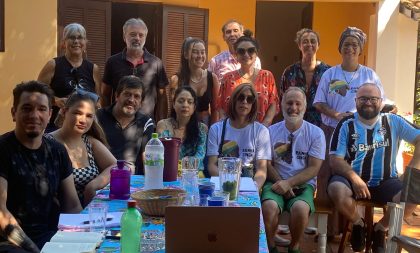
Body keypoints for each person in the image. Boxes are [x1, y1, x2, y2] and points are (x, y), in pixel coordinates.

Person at [328, 83, 420, 252]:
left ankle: (380, 229)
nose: (368, 102)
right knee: (335, 189)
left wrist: (410, 172)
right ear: (356, 101)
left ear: (381, 101)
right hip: (351, 179)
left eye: (373, 99)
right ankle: (358, 224)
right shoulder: (346, 124)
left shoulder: (393, 121)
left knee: (413, 196)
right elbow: (335, 160)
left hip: (386, 180)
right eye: (363, 98)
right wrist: (355, 179)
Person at [313, 27, 386, 236]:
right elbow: (319, 102)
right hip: (331, 130)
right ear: (340, 48)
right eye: (346, 44)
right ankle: (328, 231)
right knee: (326, 176)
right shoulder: (330, 73)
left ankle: (354, 226)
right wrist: (336, 114)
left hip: (358, 134)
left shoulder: (369, 74)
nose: (350, 48)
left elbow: (381, 102)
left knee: (352, 177)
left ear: (360, 49)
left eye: (354, 45)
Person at [0, 81, 82, 253]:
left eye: (42, 109)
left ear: (50, 114)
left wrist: (84, 238)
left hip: (50, 238)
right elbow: (1, 214)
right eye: (27, 108)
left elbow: (72, 206)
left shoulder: (57, 151)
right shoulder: (3, 150)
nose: (34, 115)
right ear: (14, 113)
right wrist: (34, 250)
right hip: (10, 242)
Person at [262, 87, 325, 253]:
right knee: (268, 207)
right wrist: (281, 183)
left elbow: (314, 168)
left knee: (300, 209)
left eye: (298, 103)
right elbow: (266, 164)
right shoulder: (270, 131)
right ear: (282, 104)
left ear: (305, 106)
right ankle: (271, 246)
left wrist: (289, 183)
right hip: (274, 182)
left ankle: (294, 246)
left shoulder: (316, 133)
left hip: (303, 185)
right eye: (289, 103)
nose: (293, 107)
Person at [49, 91, 117, 206]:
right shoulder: (47, 143)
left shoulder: (89, 141)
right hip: (59, 217)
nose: (83, 120)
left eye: (89, 116)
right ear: (64, 111)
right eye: (78, 113)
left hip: (89, 213)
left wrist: (93, 185)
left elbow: (117, 166)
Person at [101, 18, 169, 122]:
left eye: (141, 35)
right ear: (124, 37)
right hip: (118, 123)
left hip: (146, 125)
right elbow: (105, 94)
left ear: (145, 38)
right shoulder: (112, 62)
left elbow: (162, 98)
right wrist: (106, 119)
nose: (137, 38)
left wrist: (160, 123)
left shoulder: (156, 63)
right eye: (133, 34)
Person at [37, 23, 100, 132]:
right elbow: (37, 93)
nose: (76, 41)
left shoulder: (93, 69)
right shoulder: (53, 65)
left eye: (80, 38)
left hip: (84, 129)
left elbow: (99, 99)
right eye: (71, 37)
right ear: (64, 43)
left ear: (85, 43)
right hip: (56, 128)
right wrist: (55, 100)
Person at [207, 83, 271, 191]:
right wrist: (229, 187)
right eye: (240, 97)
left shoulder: (261, 131)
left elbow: (261, 169)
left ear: (253, 104)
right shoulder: (216, 129)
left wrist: (253, 190)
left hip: (250, 185)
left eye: (249, 99)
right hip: (224, 185)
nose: (244, 102)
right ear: (233, 100)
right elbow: (212, 165)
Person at [217, 33, 279, 126]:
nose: (246, 54)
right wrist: (227, 128)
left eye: (251, 50)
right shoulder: (228, 78)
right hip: (233, 131)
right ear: (236, 55)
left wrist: (264, 127)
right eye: (241, 51)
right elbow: (221, 106)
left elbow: (273, 103)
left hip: (259, 131)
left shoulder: (267, 76)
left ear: (256, 53)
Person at [97, 75, 154, 175]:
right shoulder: (98, 117)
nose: (131, 100)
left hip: (131, 181)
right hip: (100, 177)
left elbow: (147, 159)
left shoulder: (146, 122)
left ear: (141, 102)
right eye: (127, 94)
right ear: (117, 96)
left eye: (136, 96)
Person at [280, 28, 330, 126]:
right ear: (299, 46)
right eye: (305, 42)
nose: (309, 44)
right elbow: (283, 99)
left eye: (313, 41)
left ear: (318, 45)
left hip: (321, 126)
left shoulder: (328, 72)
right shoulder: (290, 72)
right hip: (294, 124)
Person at [157, 86, 208, 173]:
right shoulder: (163, 125)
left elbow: (200, 156)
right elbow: (159, 153)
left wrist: (180, 169)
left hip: (194, 175)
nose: (185, 105)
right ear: (173, 104)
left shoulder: (202, 128)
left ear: (194, 107)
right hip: (167, 173)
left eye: (189, 102)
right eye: (181, 101)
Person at [169, 37, 219, 125]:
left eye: (203, 52)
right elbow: (174, 109)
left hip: (205, 124)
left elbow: (215, 109)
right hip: (183, 124)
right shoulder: (176, 80)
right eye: (195, 52)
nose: (200, 56)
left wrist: (213, 131)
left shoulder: (212, 77)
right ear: (186, 55)